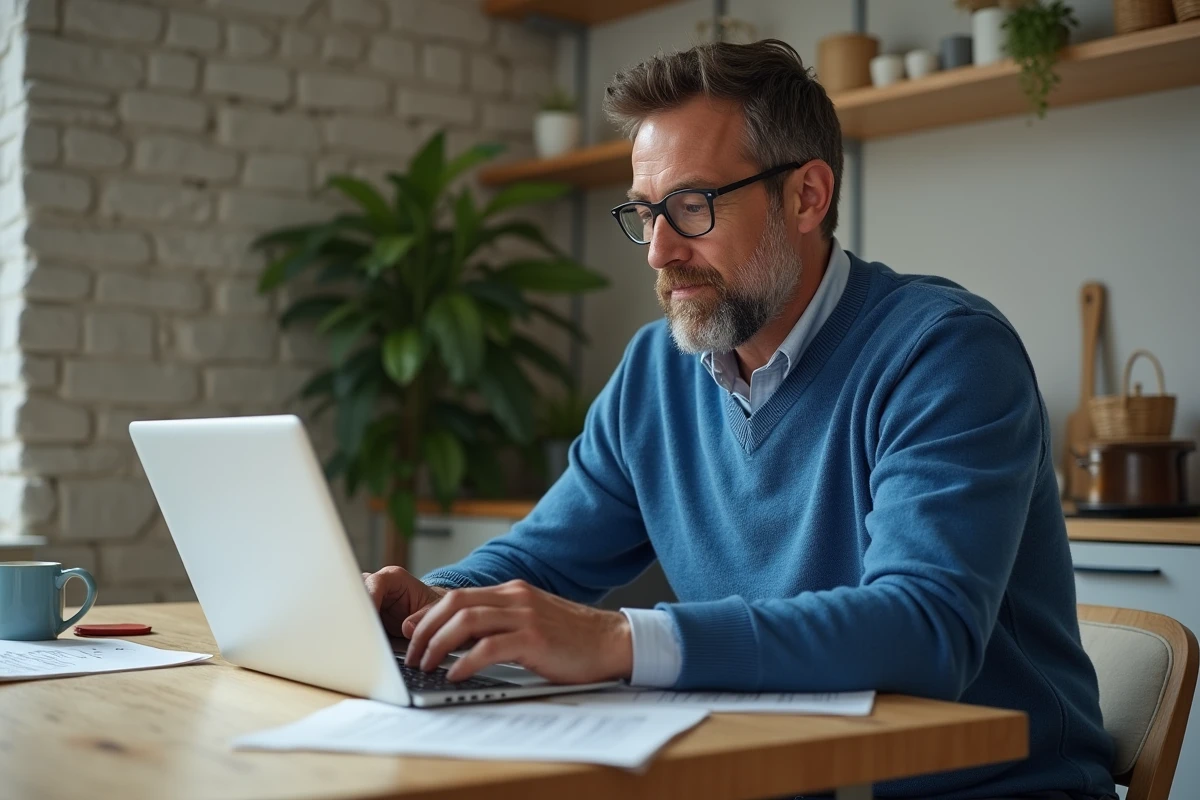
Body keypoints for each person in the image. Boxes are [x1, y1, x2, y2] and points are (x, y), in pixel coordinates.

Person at [363, 39, 1115, 800]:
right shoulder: (656, 372)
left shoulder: (945, 351)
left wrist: (620, 639)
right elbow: (545, 559)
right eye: (646, 212)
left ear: (806, 196)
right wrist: (431, 602)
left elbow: (925, 630)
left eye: (692, 206)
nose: (659, 250)